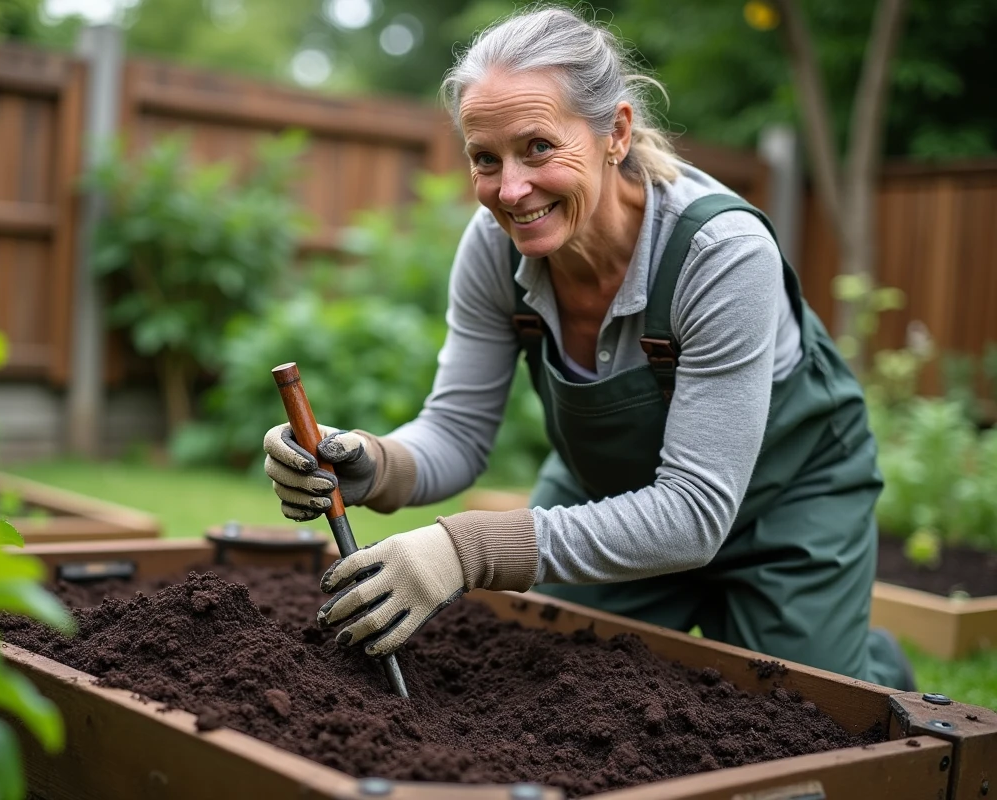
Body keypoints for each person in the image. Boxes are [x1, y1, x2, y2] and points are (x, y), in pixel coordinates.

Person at [262, 6, 914, 690]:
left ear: (616, 133)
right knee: (536, 682)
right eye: (486, 159)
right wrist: (368, 462)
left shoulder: (719, 255)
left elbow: (693, 512)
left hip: (786, 508)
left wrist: (467, 547)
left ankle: (866, 659)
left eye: (538, 147)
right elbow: (457, 430)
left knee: (799, 712)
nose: (511, 190)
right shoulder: (494, 249)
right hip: (608, 490)